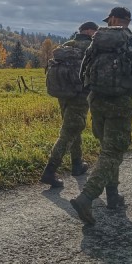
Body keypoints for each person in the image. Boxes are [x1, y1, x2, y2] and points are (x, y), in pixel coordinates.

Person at [70, 7, 132, 224]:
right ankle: (86, 197)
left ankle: (113, 195)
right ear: (128, 21)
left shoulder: (96, 42)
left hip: (96, 101)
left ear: (113, 19)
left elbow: (82, 74)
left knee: (107, 149)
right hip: (120, 104)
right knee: (113, 152)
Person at [40, 21, 98, 187]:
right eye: (95, 31)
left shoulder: (67, 44)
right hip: (80, 94)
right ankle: (50, 171)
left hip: (63, 94)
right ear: (89, 31)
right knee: (69, 131)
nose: (96, 34)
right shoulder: (91, 47)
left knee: (73, 127)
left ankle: (77, 163)